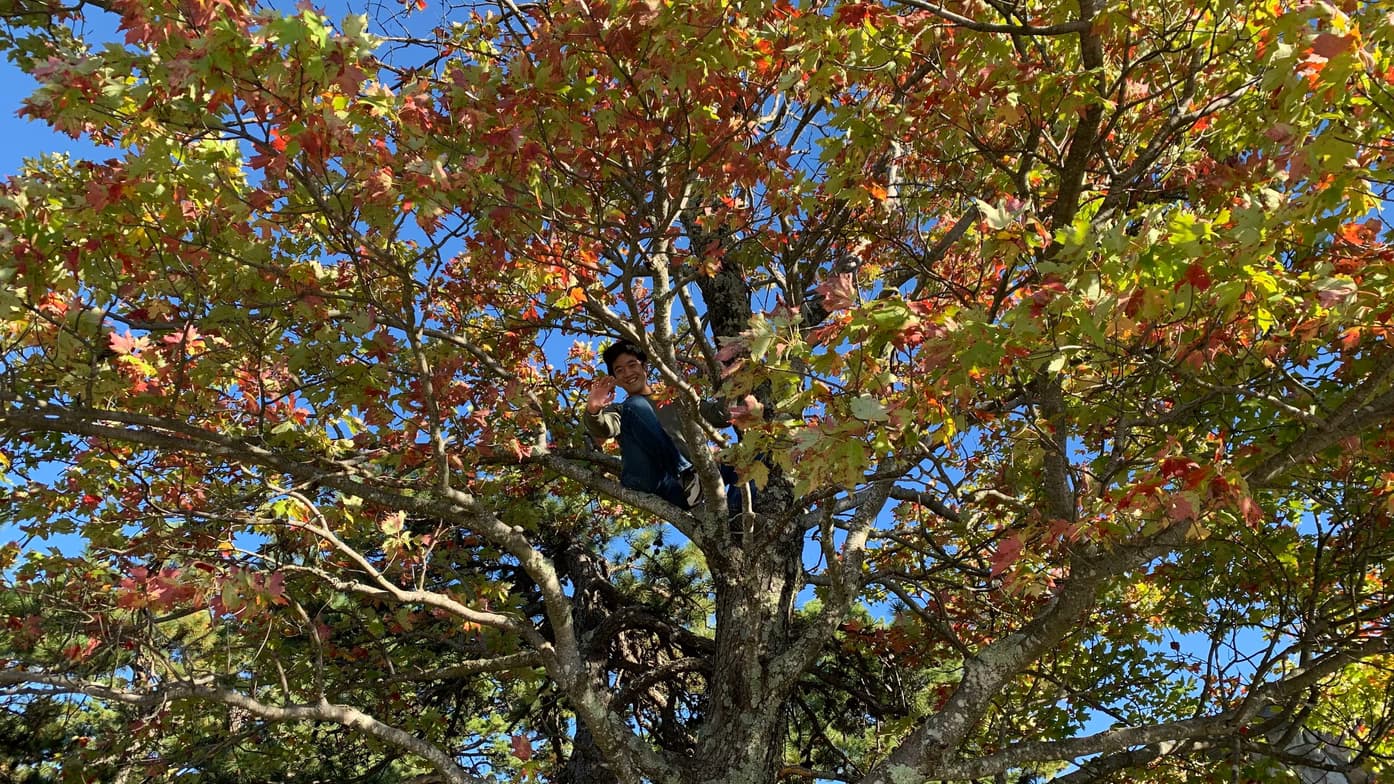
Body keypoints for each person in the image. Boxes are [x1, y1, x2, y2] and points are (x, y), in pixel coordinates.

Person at [583, 340, 741, 512]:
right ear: (616, 379)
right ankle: (686, 474)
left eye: (632, 365)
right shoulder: (622, 410)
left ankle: (735, 515)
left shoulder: (676, 401)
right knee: (634, 404)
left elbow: (721, 416)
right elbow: (604, 428)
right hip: (653, 478)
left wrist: (734, 380)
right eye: (619, 370)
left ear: (645, 367)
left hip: (693, 484)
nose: (627, 373)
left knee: (751, 455)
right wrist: (593, 409)